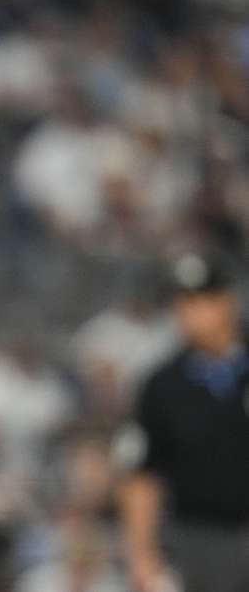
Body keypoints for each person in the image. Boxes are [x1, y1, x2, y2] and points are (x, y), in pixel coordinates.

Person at [119, 253, 249, 592]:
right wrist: (142, 555)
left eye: (200, 299)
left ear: (228, 301)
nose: (189, 312)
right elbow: (143, 474)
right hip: (195, 539)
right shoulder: (162, 385)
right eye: (182, 301)